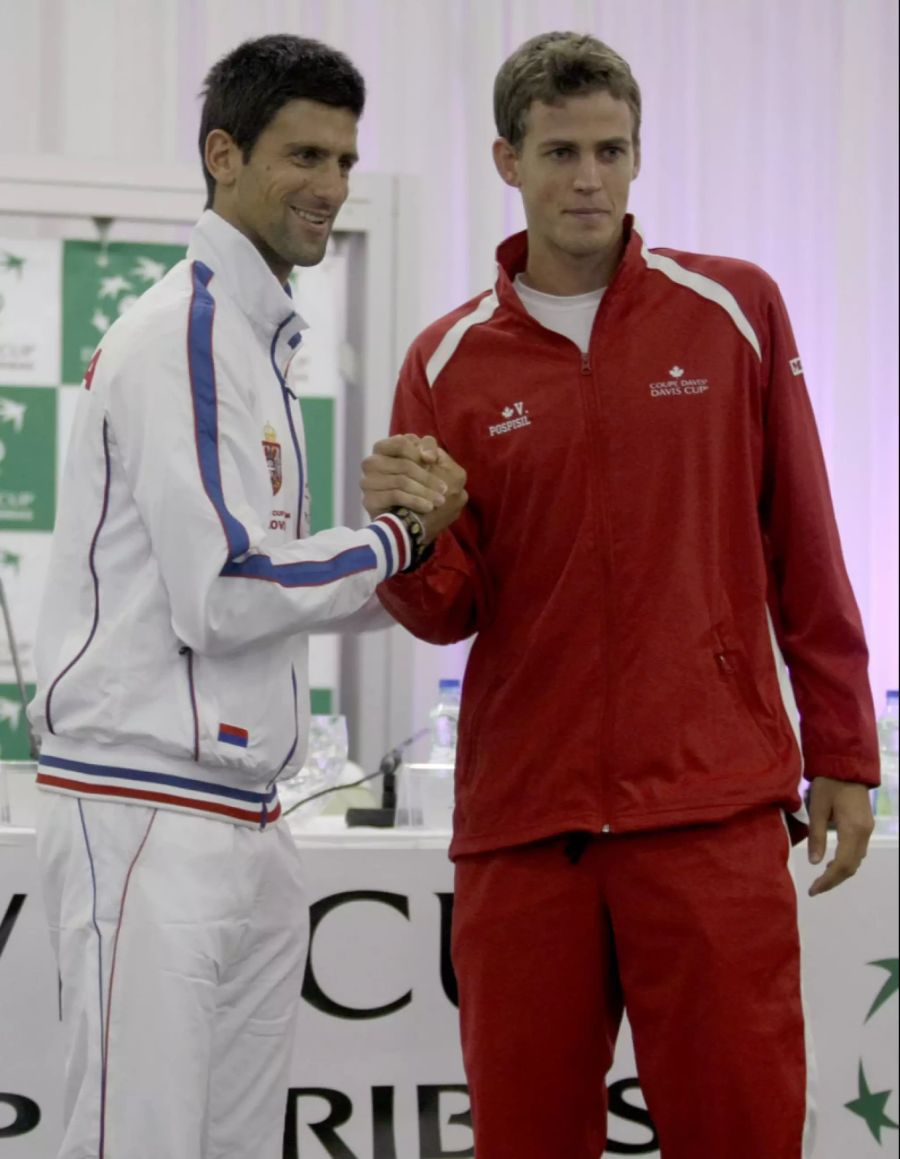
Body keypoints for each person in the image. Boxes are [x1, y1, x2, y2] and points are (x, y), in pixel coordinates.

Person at [367, 30, 880, 1159]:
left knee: (743, 1136)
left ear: (640, 155)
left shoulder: (735, 310)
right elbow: (452, 607)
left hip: (711, 814)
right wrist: (413, 539)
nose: (587, 177)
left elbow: (805, 540)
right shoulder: (446, 360)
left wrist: (841, 744)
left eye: (610, 149)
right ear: (508, 160)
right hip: (525, 826)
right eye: (559, 152)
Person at [29, 34, 464, 1159]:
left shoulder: (252, 339)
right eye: (303, 154)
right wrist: (394, 537)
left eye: (345, 161)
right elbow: (221, 596)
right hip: (146, 806)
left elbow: (273, 590)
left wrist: (415, 559)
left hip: (241, 812)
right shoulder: (190, 328)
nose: (329, 187)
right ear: (223, 154)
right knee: (138, 1142)